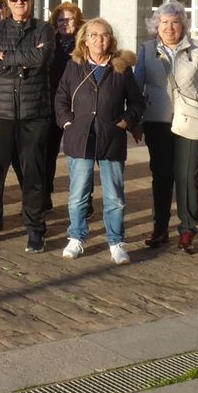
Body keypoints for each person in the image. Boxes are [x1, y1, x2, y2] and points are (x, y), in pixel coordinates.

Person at [0, 0, 55, 252]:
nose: (20, 3)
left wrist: (6, 57)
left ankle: (35, 227)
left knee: (33, 174)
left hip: (34, 113)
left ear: (31, 0)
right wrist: (23, 61)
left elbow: (43, 60)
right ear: (8, 2)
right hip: (0, 111)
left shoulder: (44, 28)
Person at [55, 18, 145, 264]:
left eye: (104, 35)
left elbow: (137, 102)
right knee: (78, 193)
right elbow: (61, 96)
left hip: (111, 138)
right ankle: (76, 236)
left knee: (114, 195)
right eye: (94, 35)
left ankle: (116, 241)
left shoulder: (121, 68)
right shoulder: (75, 66)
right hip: (80, 137)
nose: (99, 40)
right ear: (85, 39)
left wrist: (125, 122)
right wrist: (67, 122)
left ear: (111, 39)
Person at [134, 2, 198, 252]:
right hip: (158, 121)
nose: (169, 28)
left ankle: (188, 229)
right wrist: (136, 119)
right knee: (162, 175)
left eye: (175, 22)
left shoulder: (197, 49)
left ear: (183, 25)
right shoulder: (147, 51)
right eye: (164, 23)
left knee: (188, 176)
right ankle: (160, 228)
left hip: (190, 120)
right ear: (156, 26)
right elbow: (137, 86)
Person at [44, 0, 85, 187]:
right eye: (60, 20)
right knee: (48, 153)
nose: (64, 23)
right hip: (53, 105)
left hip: (78, 107)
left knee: (79, 156)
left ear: (77, 21)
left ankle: (84, 200)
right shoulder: (49, 44)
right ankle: (45, 196)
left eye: (69, 19)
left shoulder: (85, 45)